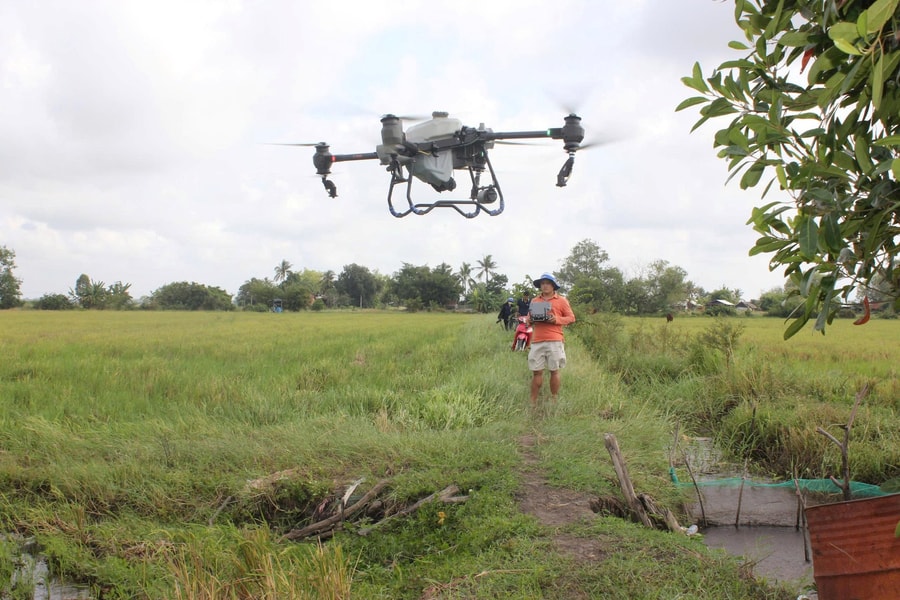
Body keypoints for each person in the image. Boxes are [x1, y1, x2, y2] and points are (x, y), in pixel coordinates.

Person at [527, 273, 575, 410]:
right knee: (536, 371)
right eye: (542, 283)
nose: (545, 285)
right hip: (537, 340)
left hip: (555, 339)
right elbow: (529, 318)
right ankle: (533, 401)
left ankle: (554, 399)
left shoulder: (561, 300)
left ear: (553, 285)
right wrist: (529, 320)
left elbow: (571, 318)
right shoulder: (535, 301)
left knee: (554, 370)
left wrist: (557, 320)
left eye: (547, 283)